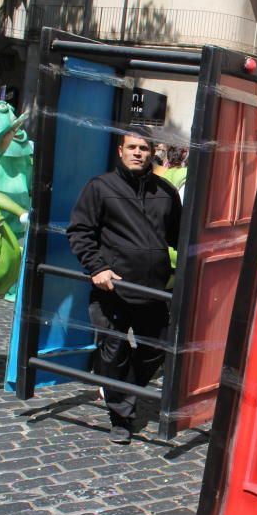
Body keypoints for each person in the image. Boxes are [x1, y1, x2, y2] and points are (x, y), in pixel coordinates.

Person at [67, 131, 181, 444]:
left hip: (153, 290)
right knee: (112, 351)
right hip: (112, 290)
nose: (137, 153)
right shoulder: (100, 187)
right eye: (131, 147)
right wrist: (97, 267)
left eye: (144, 148)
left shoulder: (166, 192)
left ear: (152, 152)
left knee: (157, 347)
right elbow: (79, 231)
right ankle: (120, 416)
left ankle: (121, 388)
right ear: (121, 151)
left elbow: (179, 236)